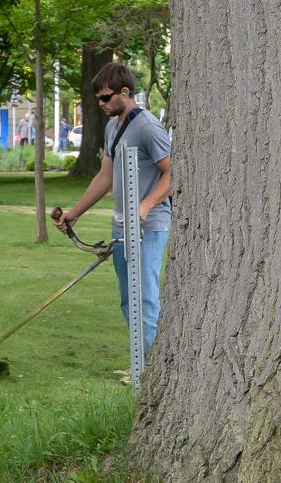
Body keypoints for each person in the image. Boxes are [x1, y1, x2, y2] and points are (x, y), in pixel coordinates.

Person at [53, 62, 171, 358]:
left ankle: (152, 370)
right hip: (121, 227)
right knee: (127, 300)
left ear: (126, 92)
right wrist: (75, 213)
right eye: (98, 98)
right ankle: (142, 363)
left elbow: (175, 172)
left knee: (144, 298)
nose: (101, 104)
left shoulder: (147, 126)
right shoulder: (111, 127)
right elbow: (105, 177)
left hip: (150, 225)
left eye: (106, 97)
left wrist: (145, 205)